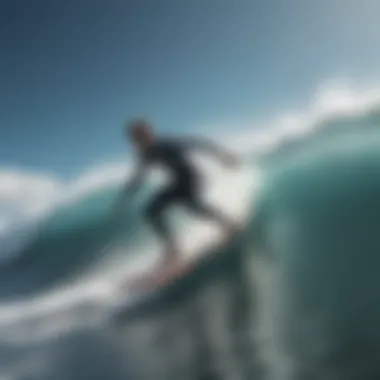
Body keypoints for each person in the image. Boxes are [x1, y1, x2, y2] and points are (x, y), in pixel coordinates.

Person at [118, 118, 241, 276]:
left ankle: (228, 224)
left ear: (149, 134)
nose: (139, 141)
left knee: (193, 206)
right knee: (151, 211)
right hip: (176, 182)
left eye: (142, 136)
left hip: (192, 177)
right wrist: (127, 194)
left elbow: (198, 143)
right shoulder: (145, 156)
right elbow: (138, 176)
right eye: (135, 139)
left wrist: (223, 156)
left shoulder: (167, 144)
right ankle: (173, 250)